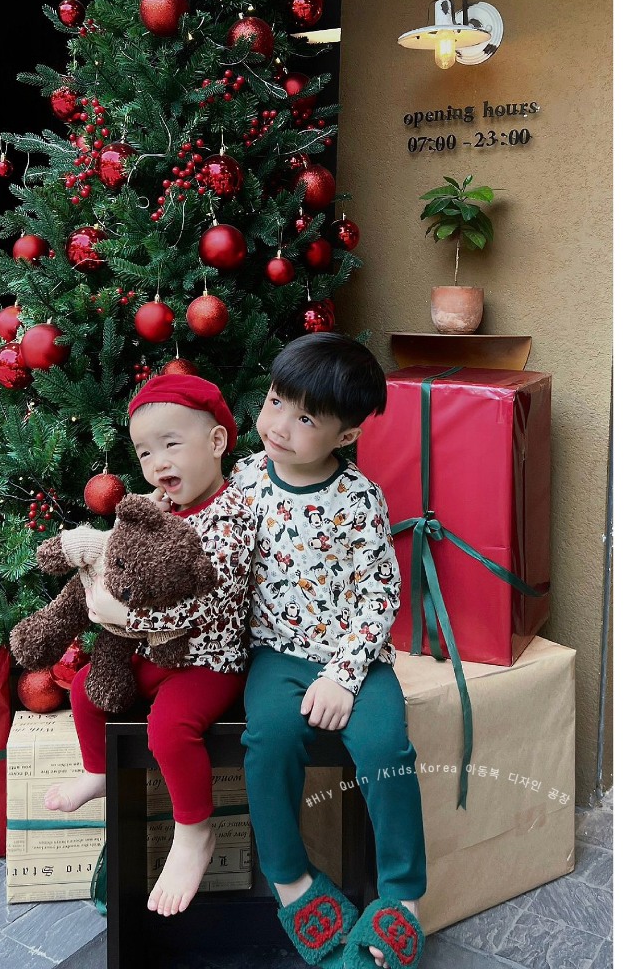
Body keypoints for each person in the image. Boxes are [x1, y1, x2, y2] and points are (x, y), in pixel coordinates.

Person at [230, 333, 427, 969]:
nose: (279, 425)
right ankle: (292, 879)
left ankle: (401, 895)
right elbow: (212, 547)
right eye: (275, 401)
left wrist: (344, 674)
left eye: (307, 418)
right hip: (276, 654)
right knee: (269, 740)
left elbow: (380, 594)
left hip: (354, 657)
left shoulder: (358, 499)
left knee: (385, 747)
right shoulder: (245, 478)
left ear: (347, 434)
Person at [46, 374, 257, 919]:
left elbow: (213, 603)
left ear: (216, 442)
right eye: (144, 452)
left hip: (209, 661)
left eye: (171, 444)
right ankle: (98, 769)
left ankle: (194, 832)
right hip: (155, 654)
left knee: (169, 728)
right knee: (88, 690)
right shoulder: (165, 508)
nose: (158, 461)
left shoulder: (231, 514)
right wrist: (142, 514)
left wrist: (130, 618)